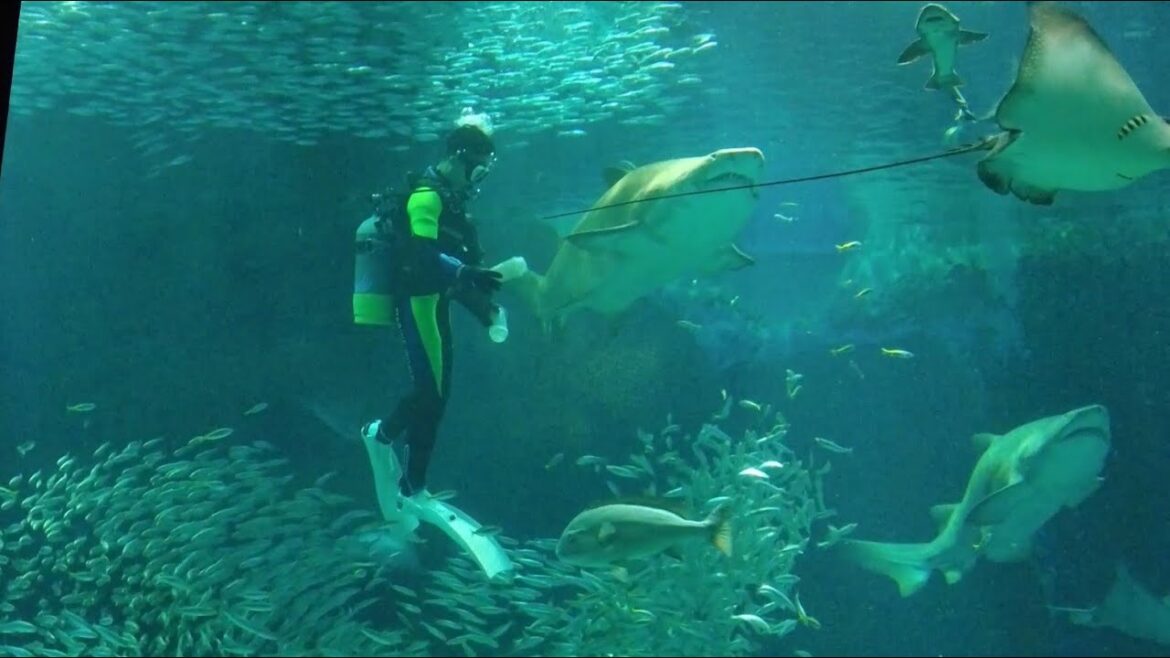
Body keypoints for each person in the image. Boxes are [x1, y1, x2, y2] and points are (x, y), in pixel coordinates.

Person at [353, 116, 504, 500]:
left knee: (435, 393)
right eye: (478, 168)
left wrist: (486, 312)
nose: (479, 178)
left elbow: (460, 273)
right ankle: (386, 443)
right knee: (431, 393)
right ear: (457, 158)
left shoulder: (455, 210)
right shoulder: (426, 198)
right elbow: (420, 254)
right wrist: (465, 271)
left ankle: (411, 479)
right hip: (418, 304)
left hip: (435, 304)